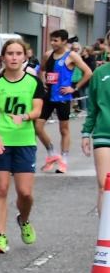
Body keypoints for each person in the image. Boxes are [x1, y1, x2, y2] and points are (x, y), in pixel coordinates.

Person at [0, 39, 45, 254]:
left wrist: (25, 116)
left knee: (25, 193)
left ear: (24, 57)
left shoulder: (33, 83)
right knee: (1, 189)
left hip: (25, 142)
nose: (14, 57)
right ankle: (1, 237)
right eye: (10, 53)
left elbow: (38, 110)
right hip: (1, 142)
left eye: (18, 53)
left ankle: (24, 220)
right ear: (3, 57)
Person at [36, 29, 93, 173]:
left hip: (63, 97)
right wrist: (42, 81)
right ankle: (52, 153)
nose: (53, 43)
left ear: (64, 41)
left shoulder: (71, 56)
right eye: (52, 40)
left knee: (64, 129)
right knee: (37, 126)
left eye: (56, 40)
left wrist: (74, 88)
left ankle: (64, 160)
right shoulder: (47, 55)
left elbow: (88, 73)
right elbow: (41, 69)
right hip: (48, 96)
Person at [82, 47, 110, 212]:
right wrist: (86, 133)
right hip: (104, 136)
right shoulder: (99, 74)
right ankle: (105, 234)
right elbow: (92, 108)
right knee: (104, 186)